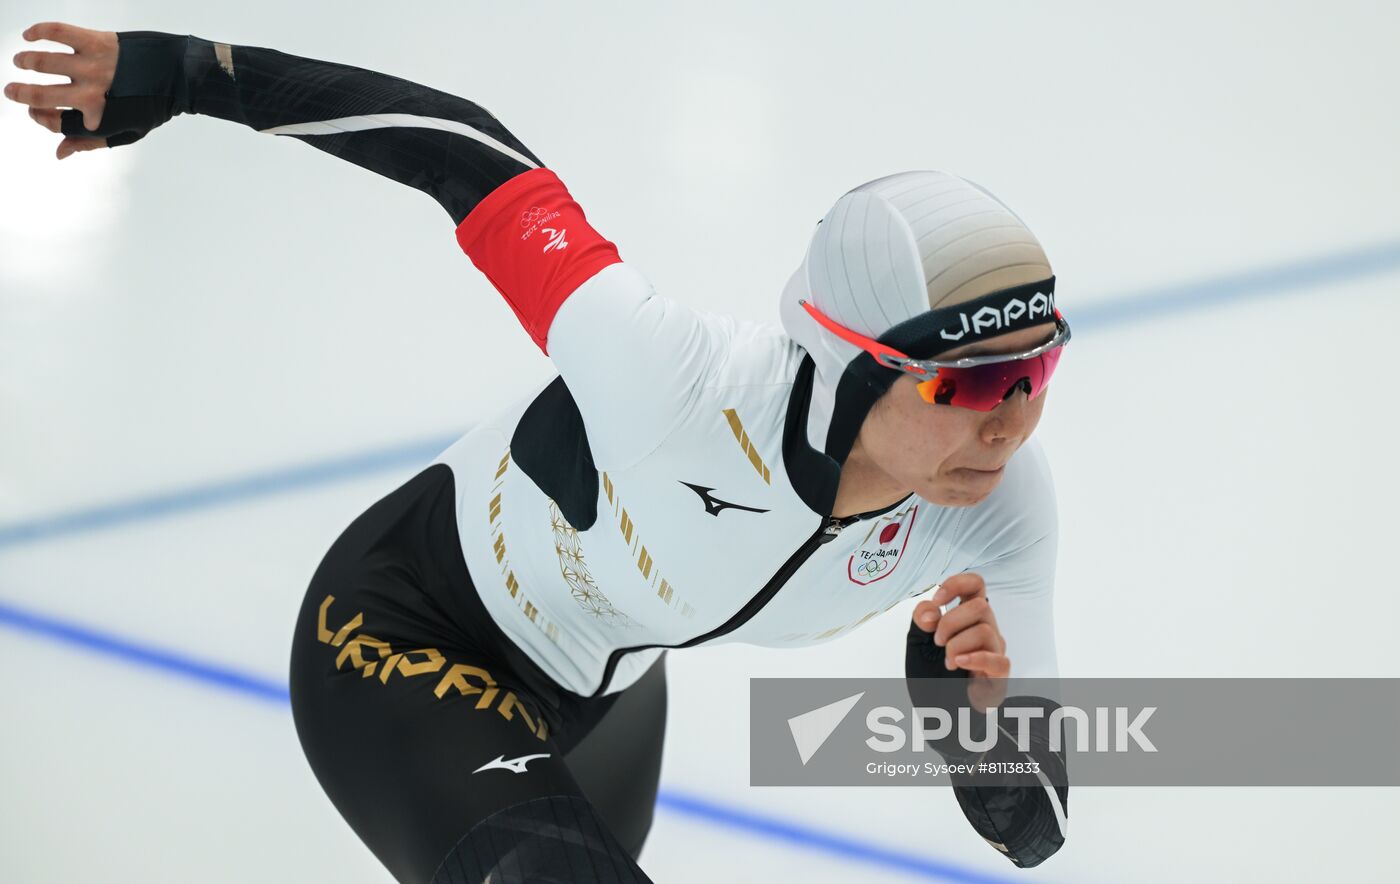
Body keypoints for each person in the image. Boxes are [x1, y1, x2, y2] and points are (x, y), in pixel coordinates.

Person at [6, 22, 1073, 882]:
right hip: (402, 638)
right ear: (848, 362)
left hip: (603, 697)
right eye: (973, 380)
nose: (1011, 418)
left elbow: (1033, 829)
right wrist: (187, 74)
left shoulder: (999, 511)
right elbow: (461, 149)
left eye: (1037, 372)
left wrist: (969, 729)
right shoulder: (671, 376)